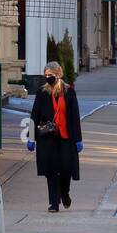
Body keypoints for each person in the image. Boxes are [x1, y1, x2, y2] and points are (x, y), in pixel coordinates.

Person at [27, 61, 83, 213]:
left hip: (66, 137)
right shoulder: (42, 92)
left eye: (50, 75)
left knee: (66, 169)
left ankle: (64, 193)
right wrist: (31, 137)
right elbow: (35, 115)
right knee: (51, 170)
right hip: (47, 137)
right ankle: (54, 203)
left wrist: (78, 139)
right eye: (45, 75)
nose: (47, 78)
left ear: (58, 74)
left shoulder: (69, 92)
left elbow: (74, 116)